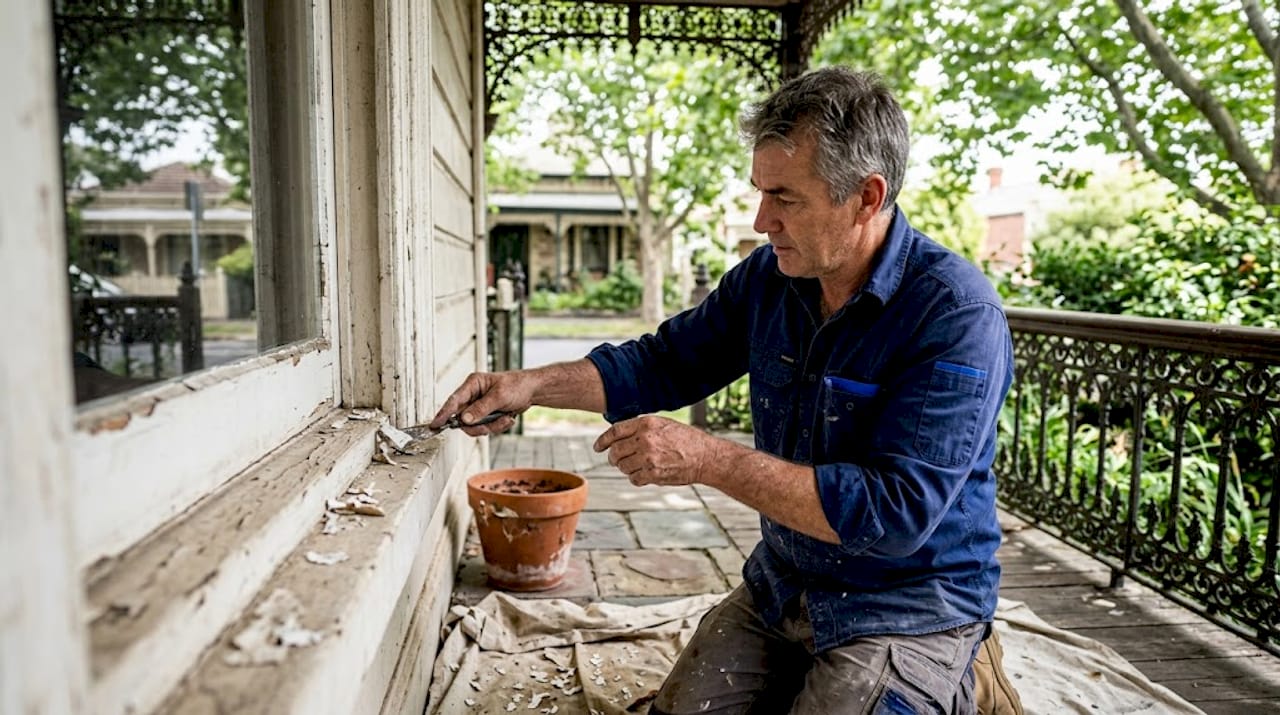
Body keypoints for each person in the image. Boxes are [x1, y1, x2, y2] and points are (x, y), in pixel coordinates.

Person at [431, 67, 1014, 714]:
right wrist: (529, 384)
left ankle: (960, 673)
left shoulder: (955, 313)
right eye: (761, 191)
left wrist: (707, 458)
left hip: (908, 604)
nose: (762, 220)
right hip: (783, 585)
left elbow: (896, 512)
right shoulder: (770, 278)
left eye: (786, 197)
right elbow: (662, 362)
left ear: (867, 197)